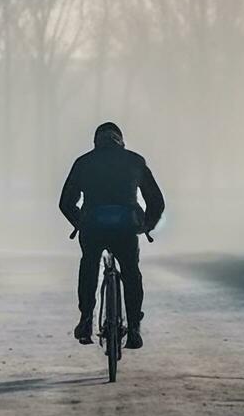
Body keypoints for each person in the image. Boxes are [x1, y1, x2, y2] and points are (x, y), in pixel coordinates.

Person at [58, 121, 165, 349]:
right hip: (126, 228)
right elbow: (157, 201)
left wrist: (80, 222)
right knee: (131, 272)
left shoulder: (84, 163)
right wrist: (147, 225)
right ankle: (134, 328)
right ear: (121, 141)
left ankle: (86, 319)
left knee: (89, 265)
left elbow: (65, 203)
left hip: (93, 227)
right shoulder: (135, 161)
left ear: (96, 142)